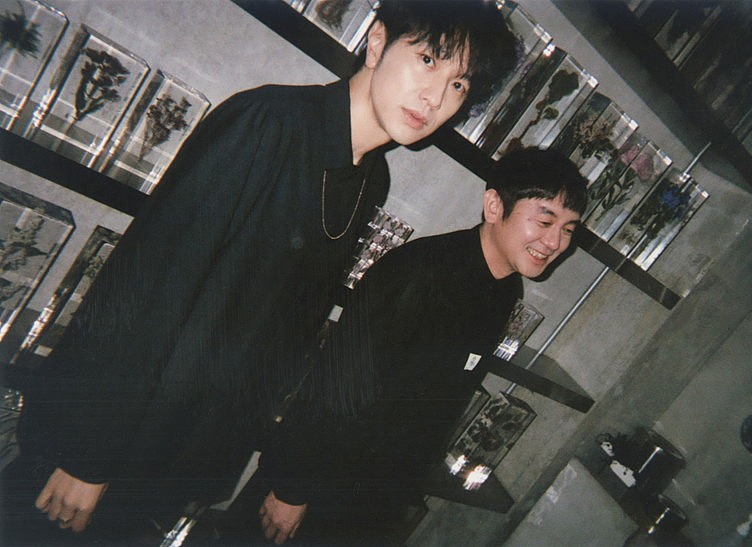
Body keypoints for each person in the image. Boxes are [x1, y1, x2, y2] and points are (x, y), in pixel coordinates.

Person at [1, 1, 517, 544]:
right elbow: (142, 287)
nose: (435, 98)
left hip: (176, 459)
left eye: (459, 85)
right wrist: (86, 454)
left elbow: (280, 331)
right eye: (428, 60)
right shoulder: (269, 122)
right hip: (104, 444)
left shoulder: (371, 180)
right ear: (376, 42)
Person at [225, 147, 588, 545]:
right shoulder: (420, 270)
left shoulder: (504, 289)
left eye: (568, 229)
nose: (555, 242)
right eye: (545, 220)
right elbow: (334, 385)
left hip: (369, 500)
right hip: (310, 486)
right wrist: (290, 489)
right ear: (494, 205)